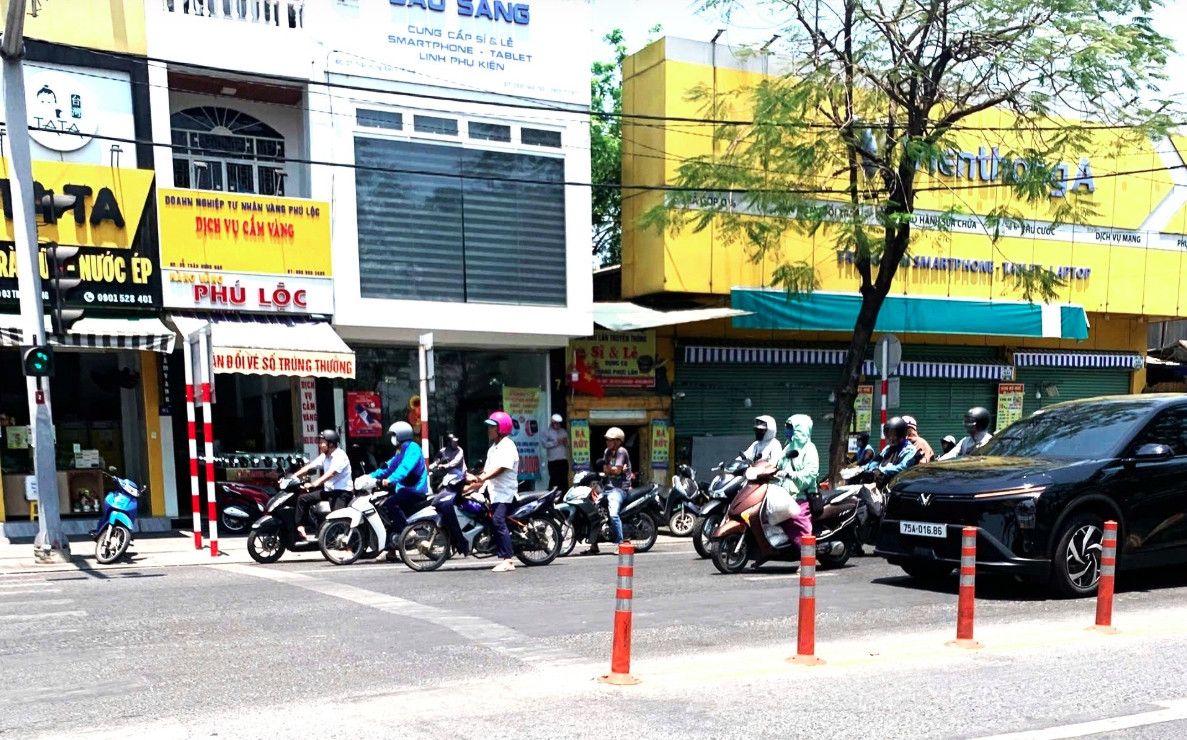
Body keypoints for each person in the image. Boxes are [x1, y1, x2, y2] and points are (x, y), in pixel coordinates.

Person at [466, 411, 520, 573]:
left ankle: (508, 560)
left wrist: (480, 479)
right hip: (493, 493)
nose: (489, 430)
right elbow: (487, 471)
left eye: (492, 427)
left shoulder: (508, 445)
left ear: (501, 428)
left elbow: (500, 469)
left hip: (505, 494)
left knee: (498, 521)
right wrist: (471, 481)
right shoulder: (493, 449)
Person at [370, 422, 430, 560]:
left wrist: (391, 480)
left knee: (390, 504)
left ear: (401, 435)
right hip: (404, 489)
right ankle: (391, 550)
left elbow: (404, 468)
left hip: (415, 490)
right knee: (387, 514)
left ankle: (408, 532)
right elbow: (390, 466)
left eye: (393, 435)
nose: (392, 438)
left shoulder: (413, 449)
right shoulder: (401, 450)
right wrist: (371, 476)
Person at [292, 430, 351, 540]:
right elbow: (309, 467)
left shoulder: (340, 455)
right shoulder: (325, 456)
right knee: (302, 499)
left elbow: (331, 473)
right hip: (328, 491)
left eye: (322, 442)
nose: (319, 445)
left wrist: (315, 483)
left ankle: (347, 543)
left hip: (341, 492)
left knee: (338, 518)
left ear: (331, 444)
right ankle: (300, 527)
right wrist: (293, 477)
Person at [584, 427, 632, 556]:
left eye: (611, 440)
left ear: (618, 441)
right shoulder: (607, 452)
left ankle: (620, 543)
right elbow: (609, 470)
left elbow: (613, 471)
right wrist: (617, 470)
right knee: (594, 512)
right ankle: (594, 545)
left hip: (619, 489)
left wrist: (616, 470)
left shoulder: (622, 452)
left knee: (613, 514)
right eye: (607, 440)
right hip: (608, 488)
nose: (608, 443)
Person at [866, 417, 918, 482]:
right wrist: (870, 469)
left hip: (897, 483)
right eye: (887, 431)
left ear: (899, 432)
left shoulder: (909, 450)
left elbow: (903, 467)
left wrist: (882, 470)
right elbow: (877, 460)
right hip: (881, 481)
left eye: (891, 432)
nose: (888, 434)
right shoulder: (888, 448)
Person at [778, 415, 819, 499]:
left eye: (790, 427)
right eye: (786, 427)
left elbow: (811, 472)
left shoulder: (809, 449)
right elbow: (779, 464)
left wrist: (793, 475)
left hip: (803, 497)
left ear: (800, 430)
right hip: (786, 498)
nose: (787, 430)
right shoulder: (788, 447)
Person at [542, 414, 570, 489]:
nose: (558, 425)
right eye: (556, 423)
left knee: (563, 481)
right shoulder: (547, 432)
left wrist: (564, 441)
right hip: (553, 461)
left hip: (563, 460)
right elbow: (544, 444)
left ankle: (563, 497)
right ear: (552, 423)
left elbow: (568, 443)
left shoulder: (563, 431)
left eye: (559, 423)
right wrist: (556, 442)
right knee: (554, 480)